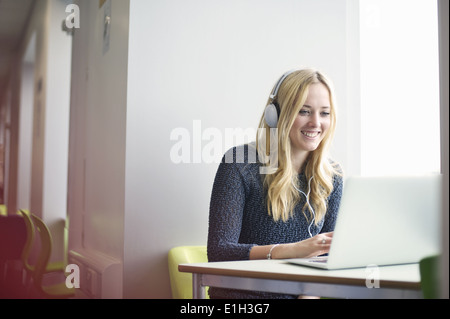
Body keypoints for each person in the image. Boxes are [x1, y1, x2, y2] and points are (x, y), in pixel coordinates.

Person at [207, 68, 344, 299]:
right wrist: (293, 251)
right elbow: (219, 251)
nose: (315, 123)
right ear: (276, 115)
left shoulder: (332, 176)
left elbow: (330, 257)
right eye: (304, 111)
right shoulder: (240, 164)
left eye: (325, 113)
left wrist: (309, 295)